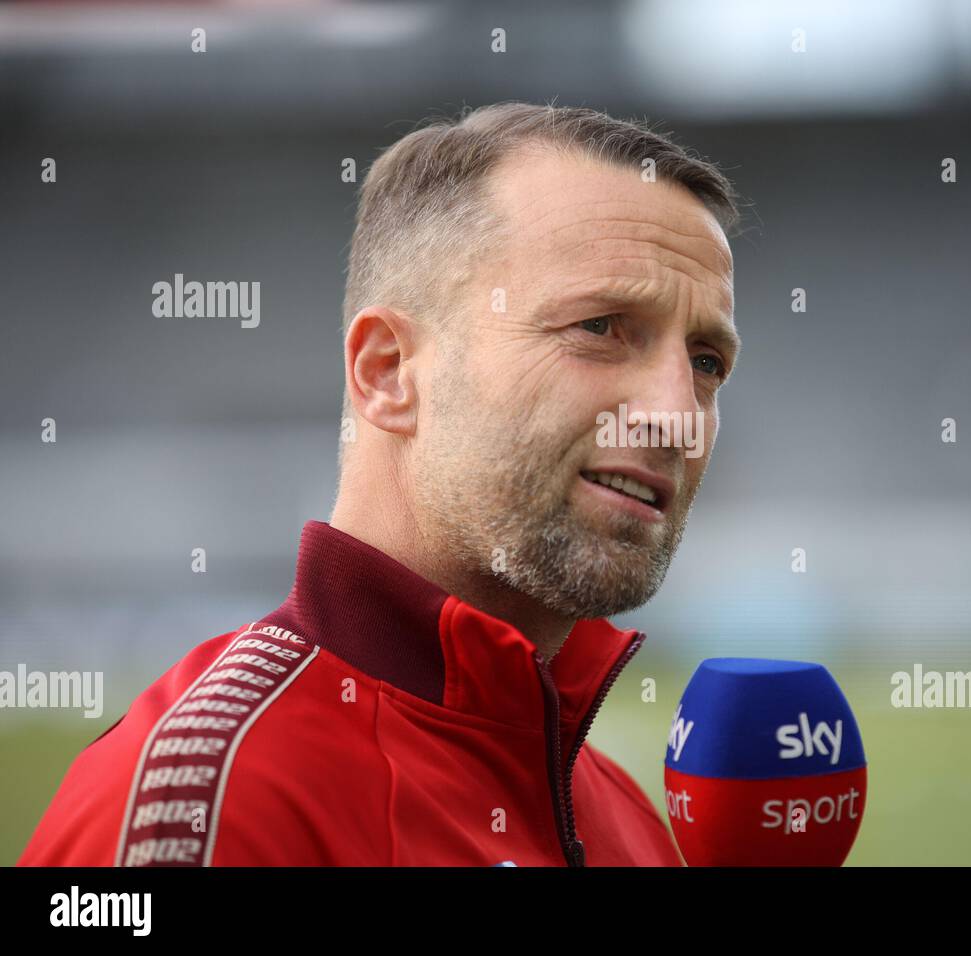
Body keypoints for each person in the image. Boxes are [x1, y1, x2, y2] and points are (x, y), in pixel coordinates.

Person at [19, 102, 742, 866]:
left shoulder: (628, 822)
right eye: (599, 327)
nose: (676, 416)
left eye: (706, 362)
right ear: (388, 372)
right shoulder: (204, 808)